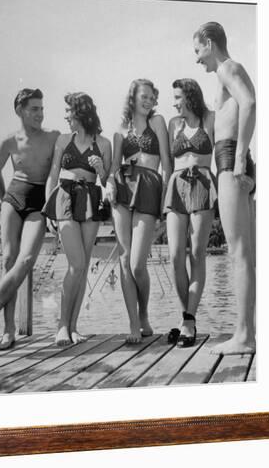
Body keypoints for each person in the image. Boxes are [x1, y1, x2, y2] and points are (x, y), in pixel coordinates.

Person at [193, 21, 256, 355]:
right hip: (229, 156)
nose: (197, 59)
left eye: (198, 51)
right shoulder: (224, 74)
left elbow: (249, 103)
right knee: (245, 252)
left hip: (231, 157)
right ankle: (249, 330)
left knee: (239, 252)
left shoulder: (228, 67)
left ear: (209, 42)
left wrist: (241, 158)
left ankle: (244, 336)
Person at [42, 92, 112, 346]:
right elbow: (52, 175)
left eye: (69, 112)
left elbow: (107, 181)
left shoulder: (103, 143)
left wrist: (101, 168)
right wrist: (47, 209)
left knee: (82, 269)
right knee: (77, 263)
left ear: (81, 113)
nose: (65, 117)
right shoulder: (63, 139)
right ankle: (61, 325)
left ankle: (73, 327)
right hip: (64, 196)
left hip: (92, 199)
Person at [106, 79, 170, 344]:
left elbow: (166, 163)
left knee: (137, 264)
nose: (149, 100)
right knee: (123, 258)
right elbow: (113, 167)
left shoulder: (157, 122)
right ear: (132, 98)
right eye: (144, 96)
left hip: (150, 187)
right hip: (123, 189)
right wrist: (109, 183)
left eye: (152, 97)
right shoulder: (120, 129)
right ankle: (133, 323)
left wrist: (165, 202)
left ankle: (144, 313)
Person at [0, 88, 59, 350]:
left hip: (37, 203)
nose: (40, 114)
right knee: (8, 259)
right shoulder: (9, 141)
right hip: (13, 197)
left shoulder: (52, 137)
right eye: (34, 109)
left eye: (42, 108)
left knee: (27, 259)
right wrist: (3, 198)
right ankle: (9, 330)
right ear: (20, 110)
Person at [164, 79, 216, 347]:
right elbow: (165, 164)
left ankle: (187, 321)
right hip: (176, 185)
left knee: (196, 254)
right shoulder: (174, 124)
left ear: (190, 97)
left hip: (203, 184)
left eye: (177, 97)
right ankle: (188, 318)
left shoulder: (210, 118)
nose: (173, 102)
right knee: (174, 255)